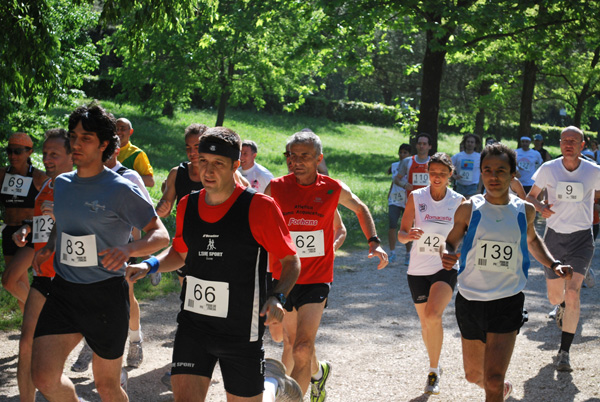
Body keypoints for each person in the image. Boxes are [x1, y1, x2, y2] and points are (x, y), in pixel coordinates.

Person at [126, 126, 303, 402]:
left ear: (236, 165)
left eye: (218, 164)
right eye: (203, 162)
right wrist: (149, 265)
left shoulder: (260, 207)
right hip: (194, 326)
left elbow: (291, 261)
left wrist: (277, 296)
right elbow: (180, 253)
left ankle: (272, 383)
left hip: (240, 330)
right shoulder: (188, 204)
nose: (207, 171)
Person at [30, 104, 170, 402]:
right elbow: (67, 222)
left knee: (107, 386)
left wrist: (128, 248)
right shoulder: (63, 184)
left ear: (104, 144)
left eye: (86, 138)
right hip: (65, 292)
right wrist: (52, 245)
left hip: (105, 296)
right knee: (43, 376)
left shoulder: (119, 188)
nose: (76, 144)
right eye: (73, 136)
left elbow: (160, 234)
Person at [441, 142, 573, 402]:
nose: (493, 176)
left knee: (492, 378)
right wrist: (447, 253)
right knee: (473, 375)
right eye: (487, 170)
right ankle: (499, 390)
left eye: (501, 170)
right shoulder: (469, 208)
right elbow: (451, 240)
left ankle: (496, 387)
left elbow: (533, 241)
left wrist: (553, 264)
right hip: (470, 300)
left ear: (513, 174)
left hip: (507, 300)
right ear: (480, 173)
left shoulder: (525, 210)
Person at [266, 130, 387, 401]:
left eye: (304, 156)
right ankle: (319, 373)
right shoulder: (275, 187)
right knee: (292, 343)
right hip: (283, 277)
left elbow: (360, 207)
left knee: (301, 347)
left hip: (316, 277)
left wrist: (374, 241)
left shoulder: (332, 188)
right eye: (291, 156)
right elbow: (256, 219)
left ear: (318, 158)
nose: (296, 161)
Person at [526, 126, 600, 372]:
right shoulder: (548, 169)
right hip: (554, 238)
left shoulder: (593, 171)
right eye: (565, 140)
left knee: (573, 293)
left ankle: (564, 352)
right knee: (556, 297)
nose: (569, 143)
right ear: (560, 143)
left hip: (581, 238)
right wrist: (539, 206)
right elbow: (530, 196)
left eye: (574, 140)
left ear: (582, 145)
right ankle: (560, 307)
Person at [12, 129, 73, 402]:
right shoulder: (47, 185)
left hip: (73, 280)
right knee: (26, 344)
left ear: (73, 156)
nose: (47, 159)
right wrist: (27, 230)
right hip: (43, 276)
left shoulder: (81, 186)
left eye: (55, 154)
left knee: (50, 368)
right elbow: (44, 225)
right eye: (45, 153)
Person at [397, 152, 465, 395]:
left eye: (442, 174)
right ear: (428, 173)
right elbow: (401, 233)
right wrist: (410, 235)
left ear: (450, 175)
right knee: (426, 322)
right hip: (417, 269)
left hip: (444, 267)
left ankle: (433, 371)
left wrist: (456, 252)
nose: (437, 177)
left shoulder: (459, 201)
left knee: (434, 315)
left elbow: (465, 235)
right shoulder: (416, 197)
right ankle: (435, 363)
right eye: (433, 173)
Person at [0, 132, 48, 312]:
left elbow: (53, 204)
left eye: (18, 152)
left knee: (8, 281)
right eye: (10, 151)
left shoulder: (38, 177)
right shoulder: (3, 174)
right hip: (9, 232)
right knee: (20, 285)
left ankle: (46, 312)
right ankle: (32, 334)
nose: (13, 156)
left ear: (29, 152)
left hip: (31, 233)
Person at [393, 133, 433, 265]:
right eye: (419, 143)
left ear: (429, 146)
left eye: (424, 144)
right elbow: (397, 179)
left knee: (426, 228)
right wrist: (405, 184)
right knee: (408, 229)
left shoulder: (433, 162)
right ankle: (408, 254)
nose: (421, 146)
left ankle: (425, 254)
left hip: (429, 202)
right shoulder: (408, 161)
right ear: (416, 145)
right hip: (411, 201)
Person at [387, 143, 412, 264]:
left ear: (410, 155)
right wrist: (389, 194)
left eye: (405, 153)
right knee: (392, 224)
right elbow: (394, 180)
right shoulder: (394, 165)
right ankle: (392, 253)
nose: (402, 155)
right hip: (395, 199)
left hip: (407, 199)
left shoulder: (412, 165)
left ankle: (408, 254)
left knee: (407, 227)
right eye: (401, 152)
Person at [115, 117, 155, 187]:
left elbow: (150, 181)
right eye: (116, 129)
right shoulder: (104, 150)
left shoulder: (136, 154)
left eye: (123, 129)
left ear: (130, 132)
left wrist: (125, 177)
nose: (118, 132)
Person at [452, 134, 481, 198]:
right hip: (460, 186)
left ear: (475, 144)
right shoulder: (458, 156)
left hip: (473, 186)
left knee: (470, 205)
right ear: (464, 143)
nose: (469, 144)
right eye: (468, 141)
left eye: (472, 142)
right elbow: (448, 166)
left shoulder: (479, 157)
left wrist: (479, 189)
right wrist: (454, 176)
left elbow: (483, 173)